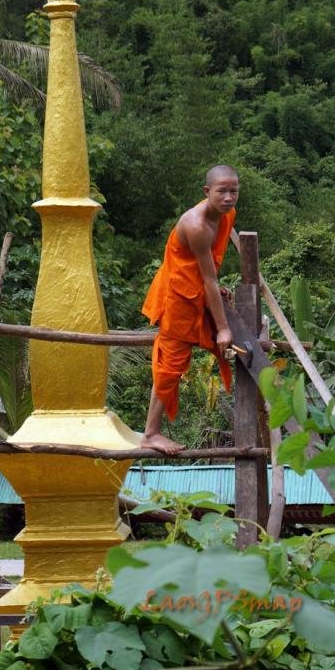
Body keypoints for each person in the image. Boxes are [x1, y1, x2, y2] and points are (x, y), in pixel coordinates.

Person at [141, 165, 239, 455]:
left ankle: (152, 432)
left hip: (197, 291)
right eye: (221, 191)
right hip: (179, 297)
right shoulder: (195, 225)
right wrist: (222, 327)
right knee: (170, 365)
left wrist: (215, 299)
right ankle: (150, 433)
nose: (228, 197)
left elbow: (209, 271)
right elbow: (207, 278)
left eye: (234, 190)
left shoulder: (226, 215)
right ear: (207, 192)